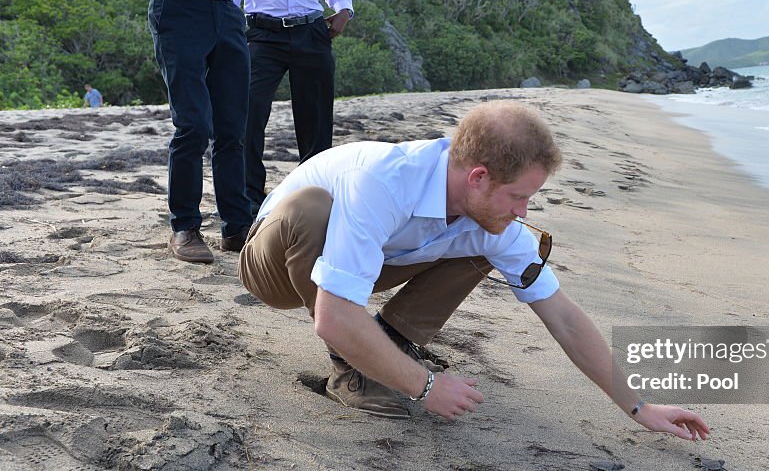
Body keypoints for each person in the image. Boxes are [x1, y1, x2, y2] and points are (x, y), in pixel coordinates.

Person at [238, 101, 710, 442]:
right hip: (275, 260)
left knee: (492, 239)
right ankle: (350, 370)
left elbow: (562, 315)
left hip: (373, 259)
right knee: (312, 209)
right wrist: (425, 387)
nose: (524, 211)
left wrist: (640, 407)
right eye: (518, 195)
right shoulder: (384, 181)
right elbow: (333, 316)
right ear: (479, 177)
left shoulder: (493, 213)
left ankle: (393, 342)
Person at [112, 0, 271, 263]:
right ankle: (185, 227)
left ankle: (236, 226)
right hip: (175, 5)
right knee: (193, 125)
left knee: (233, 128)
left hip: (226, 9)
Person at [234, 0, 353, 216]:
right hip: (262, 33)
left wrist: (343, 10)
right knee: (247, 114)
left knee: (315, 121)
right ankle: (249, 202)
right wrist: (228, 24)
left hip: (312, 31)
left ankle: (311, 199)